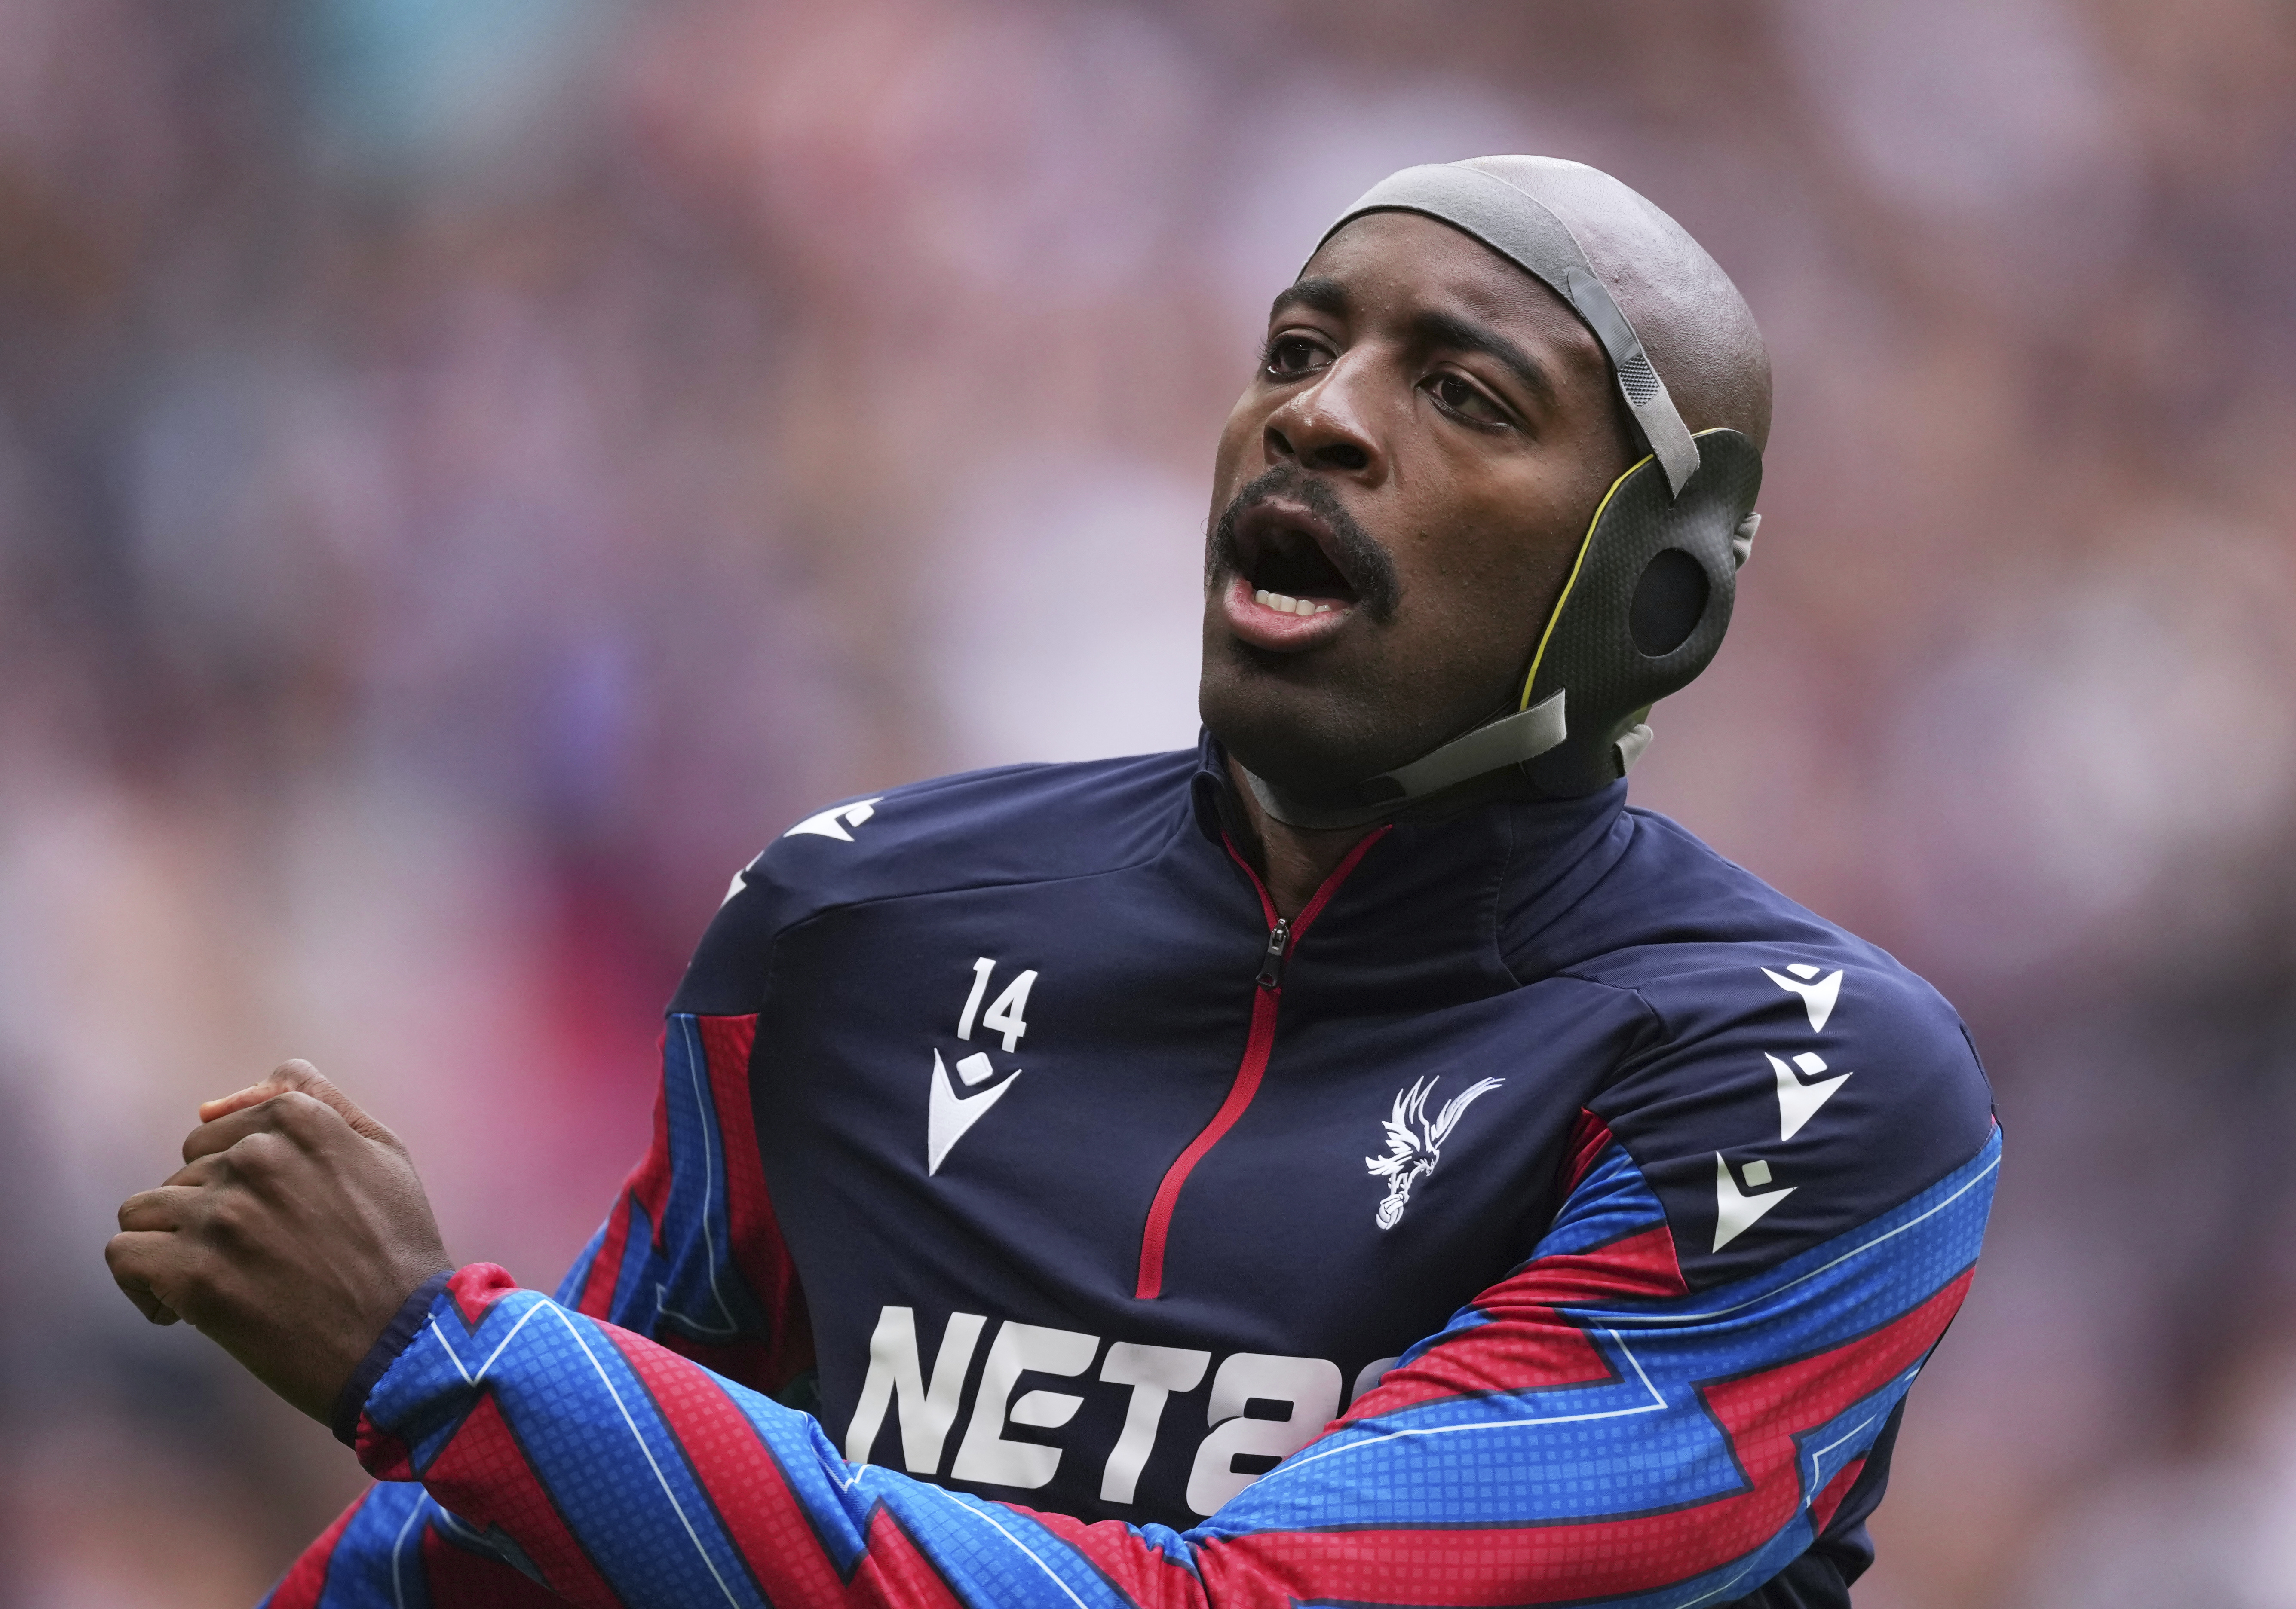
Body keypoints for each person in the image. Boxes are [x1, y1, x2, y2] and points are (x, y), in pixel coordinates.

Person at [107, 156, 1998, 1609]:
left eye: (1466, 396)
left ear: (1656, 594)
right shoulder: (854, 923)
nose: (1319, 416)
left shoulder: (1796, 1084)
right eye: (1297, 350)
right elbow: (505, 1563)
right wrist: (467, 1415)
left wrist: (446, 1359)